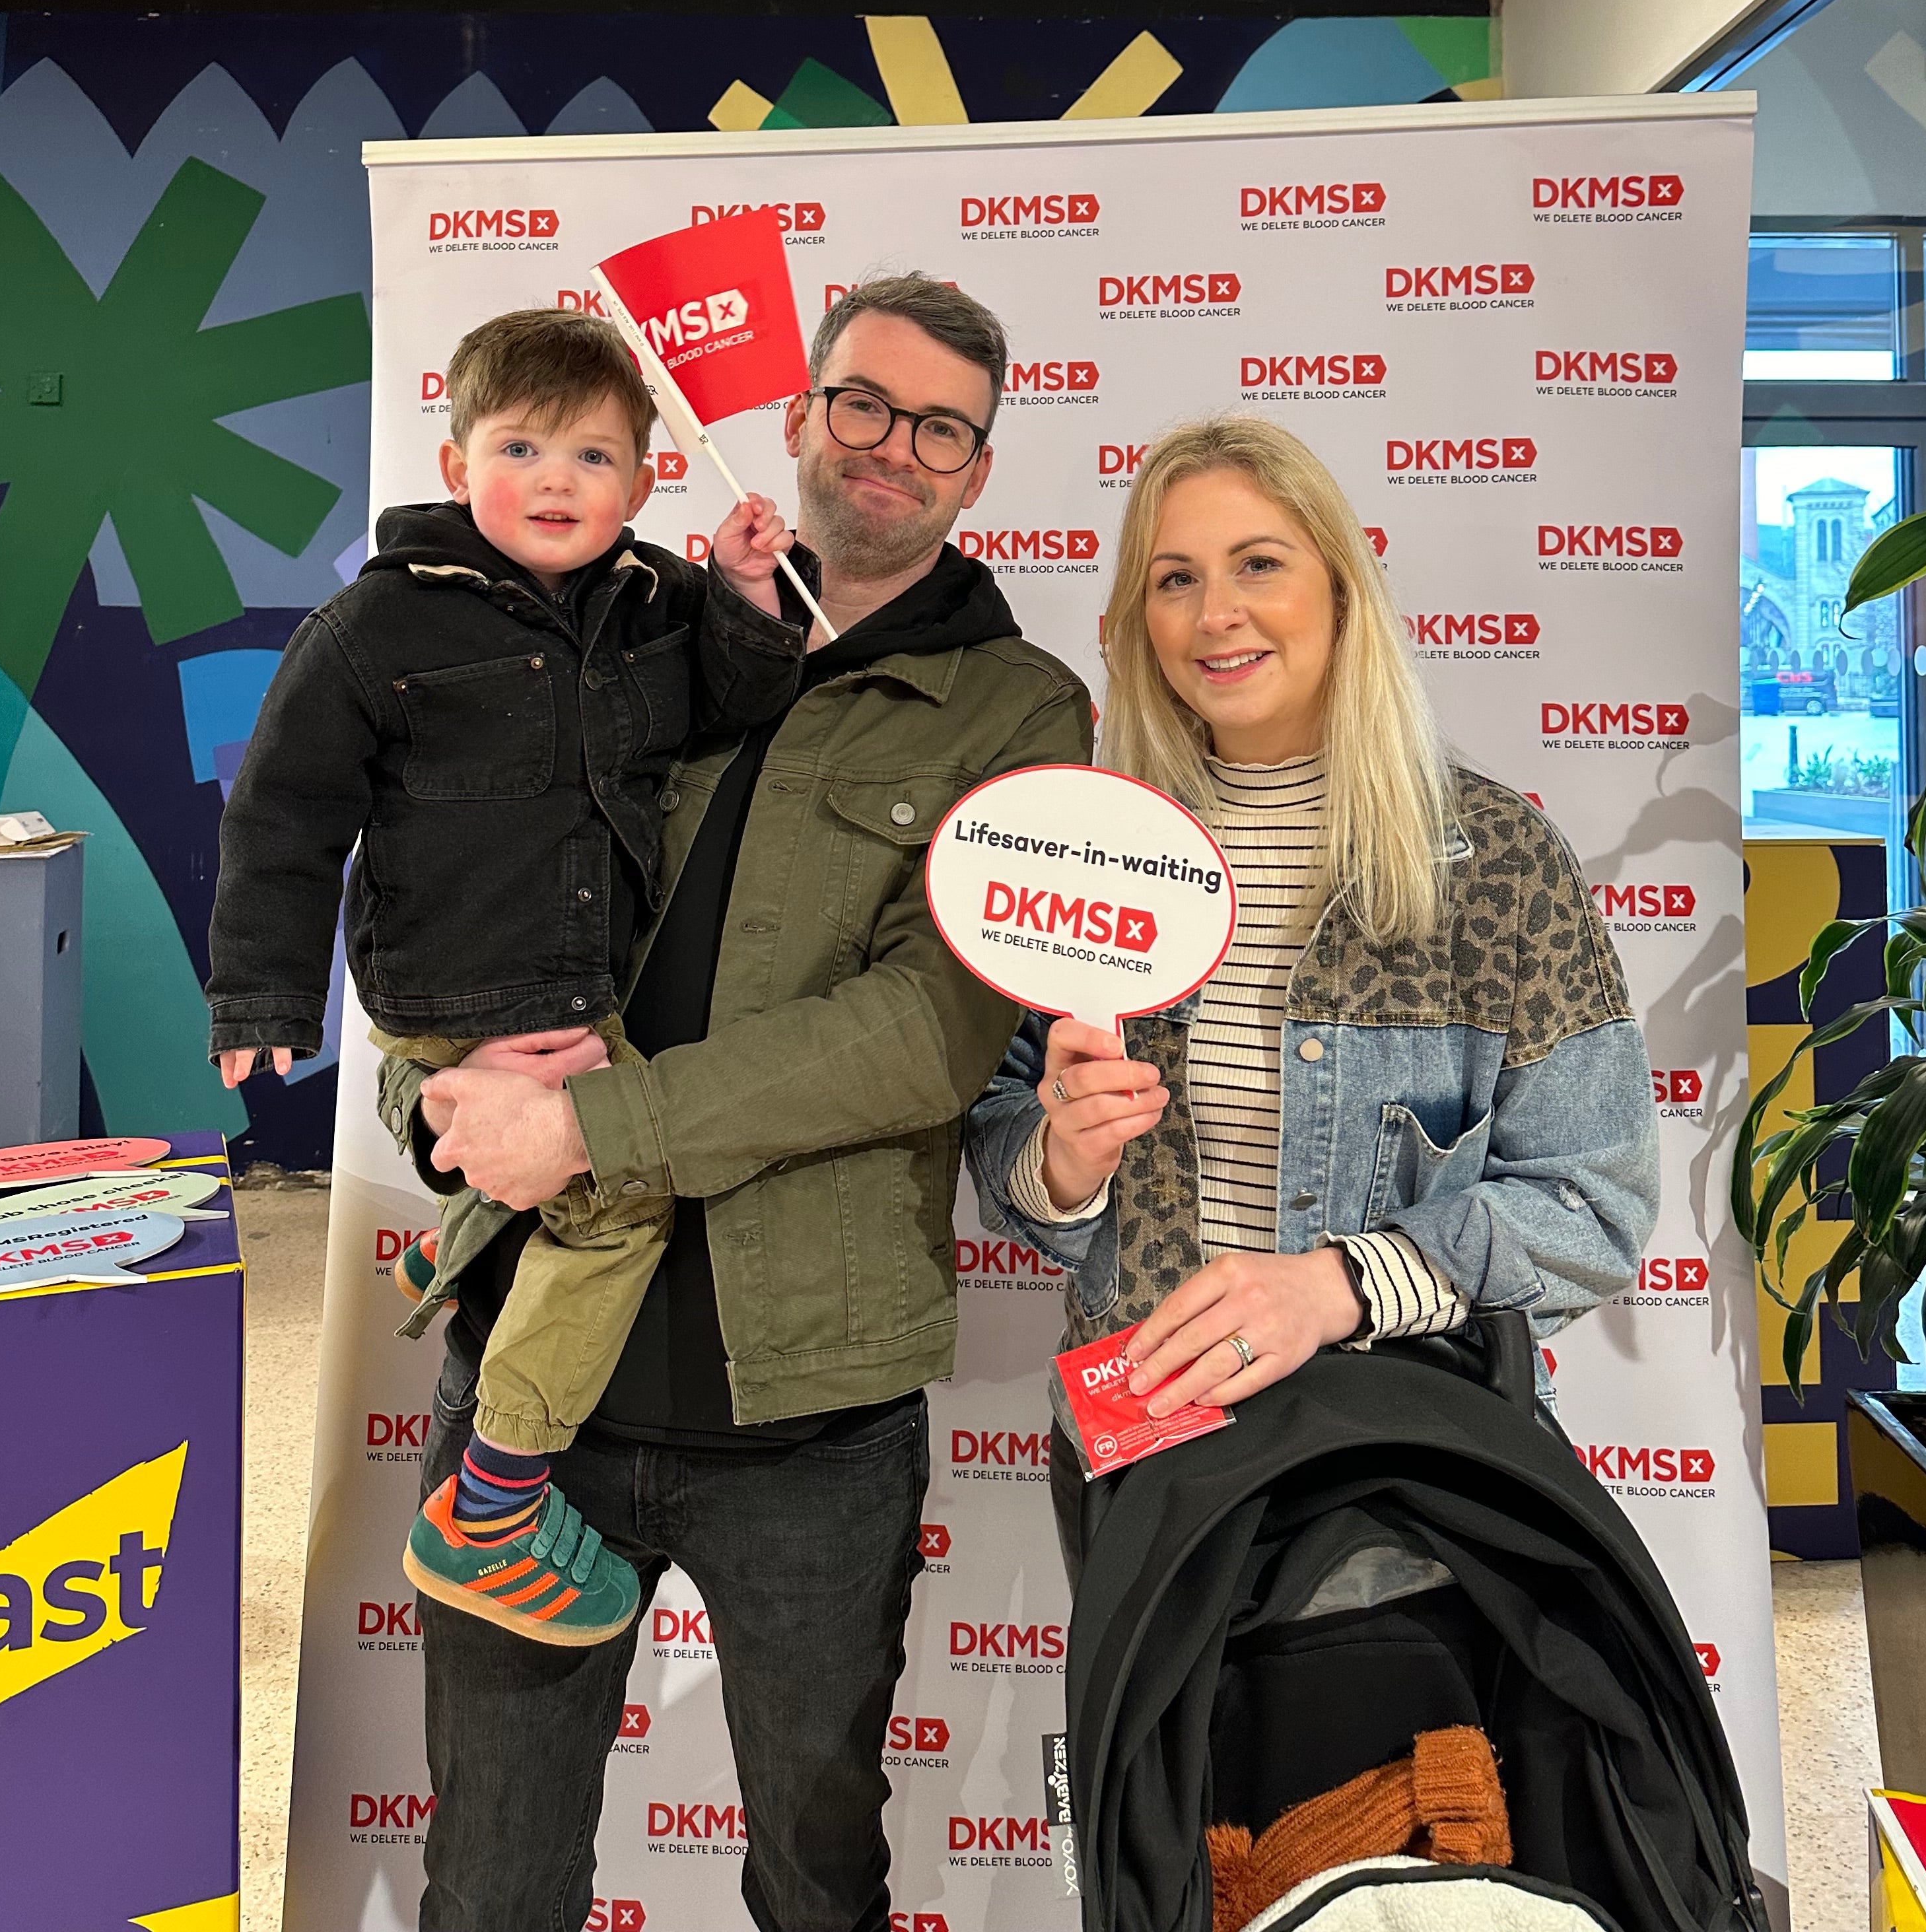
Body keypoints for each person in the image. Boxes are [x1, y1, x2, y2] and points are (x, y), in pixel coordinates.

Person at [390, 273, 1095, 1932]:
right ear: (797, 416)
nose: (893, 447)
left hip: (807, 1423)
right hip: (526, 1399)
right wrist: (441, 1091)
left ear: (978, 472)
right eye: (862, 401)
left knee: (818, 1885)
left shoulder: (1020, 712)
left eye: (941, 427)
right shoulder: (609, 621)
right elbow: (456, 874)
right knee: (487, 1887)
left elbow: (924, 1037)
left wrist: (595, 1130)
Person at [964, 413, 1659, 1572]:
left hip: (1398, 1480)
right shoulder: (1088, 849)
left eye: (1258, 565)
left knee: (1402, 1766)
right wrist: (1061, 1166)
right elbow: (1005, 1142)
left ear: (1341, 588)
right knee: (1163, 1766)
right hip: (1142, 1464)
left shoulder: (1493, 860)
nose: (1214, 612)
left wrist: (1337, 1288)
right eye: (1174, 578)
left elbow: (1594, 1206)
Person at [207, 307, 803, 1641]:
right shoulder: (376, 625)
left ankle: (467, 1235)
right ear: (455, 454)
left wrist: (750, 591)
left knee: (612, 1176)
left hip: (589, 988)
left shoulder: (659, 605)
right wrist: (258, 1002)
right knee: (627, 1200)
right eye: (521, 445)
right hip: (453, 998)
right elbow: (284, 818)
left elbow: (741, 704)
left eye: (593, 457)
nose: (554, 480)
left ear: (645, 482)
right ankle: (490, 1503)